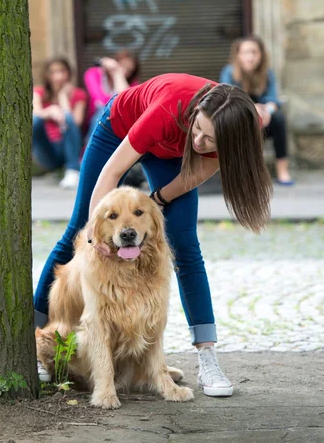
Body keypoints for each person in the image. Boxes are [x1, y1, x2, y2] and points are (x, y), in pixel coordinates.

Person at [34, 74, 272, 396]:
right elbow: (113, 172)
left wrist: (157, 201)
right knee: (77, 229)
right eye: (198, 129)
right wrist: (94, 236)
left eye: (210, 140)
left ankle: (208, 358)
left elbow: (194, 172)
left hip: (173, 153)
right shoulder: (167, 109)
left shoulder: (240, 127)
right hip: (120, 129)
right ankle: (30, 340)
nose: (200, 141)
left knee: (186, 244)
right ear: (195, 112)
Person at [220, 35, 294, 185]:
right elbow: (228, 98)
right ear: (238, 55)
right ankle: (241, 173)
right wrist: (253, 109)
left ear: (261, 55)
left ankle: (282, 171)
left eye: (254, 52)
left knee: (279, 119)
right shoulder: (229, 72)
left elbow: (273, 99)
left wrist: (268, 111)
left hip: (263, 122)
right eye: (246, 52)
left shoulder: (267, 73)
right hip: (240, 121)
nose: (250, 57)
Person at [33, 57, 87, 189]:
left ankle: (73, 170)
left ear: (68, 73)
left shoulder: (79, 94)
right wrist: (51, 111)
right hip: (48, 149)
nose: (58, 76)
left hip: (68, 146)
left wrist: (63, 97)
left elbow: (76, 122)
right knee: (35, 121)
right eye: (53, 72)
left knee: (68, 117)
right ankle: (61, 169)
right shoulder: (39, 92)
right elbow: (35, 114)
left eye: (62, 71)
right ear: (47, 75)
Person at [84, 50, 140, 135]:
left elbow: (125, 103)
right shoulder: (94, 73)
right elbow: (100, 101)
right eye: (122, 66)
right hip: (95, 120)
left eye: (129, 70)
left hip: (119, 122)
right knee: (103, 111)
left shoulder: (132, 84)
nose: (124, 71)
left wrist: (118, 74)